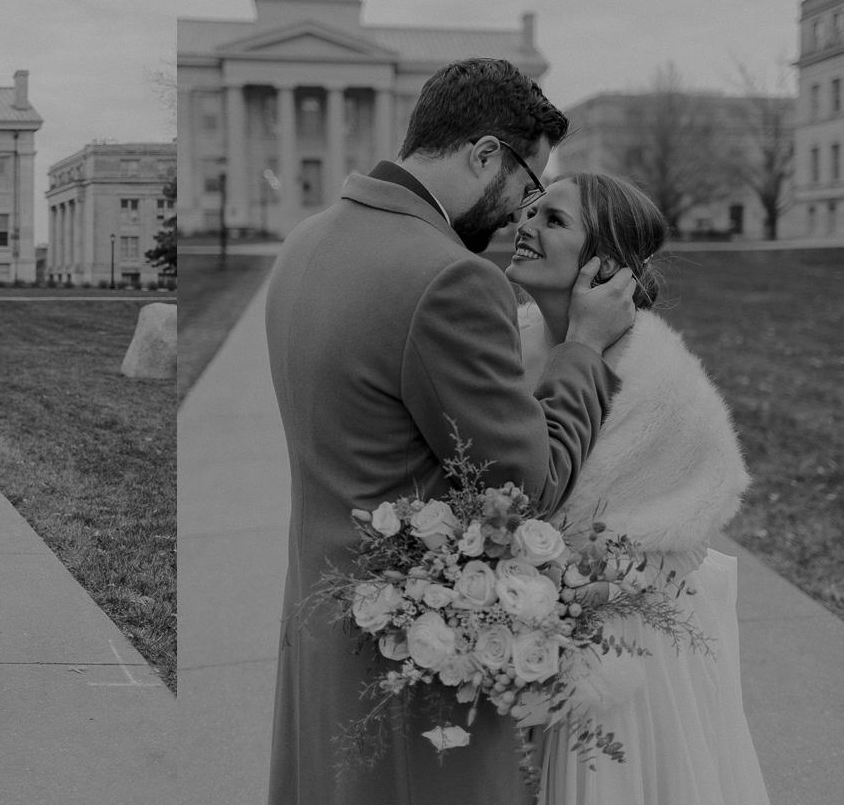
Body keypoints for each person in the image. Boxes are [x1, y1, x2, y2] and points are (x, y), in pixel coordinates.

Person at [264, 58, 637, 805]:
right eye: (529, 188)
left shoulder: (306, 241)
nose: (518, 215)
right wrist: (585, 352)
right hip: (415, 657)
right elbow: (527, 487)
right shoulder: (449, 278)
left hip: (316, 621)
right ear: (485, 155)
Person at [506, 172, 770, 805]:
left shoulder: (656, 382)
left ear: (606, 264)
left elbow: (642, 530)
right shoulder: (514, 341)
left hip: (622, 662)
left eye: (554, 221)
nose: (527, 224)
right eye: (532, 209)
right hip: (527, 639)